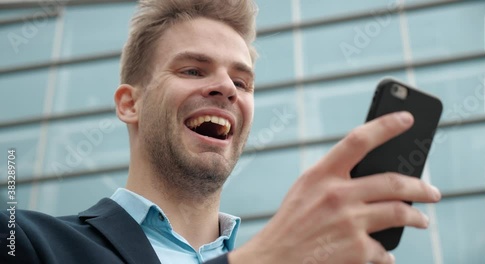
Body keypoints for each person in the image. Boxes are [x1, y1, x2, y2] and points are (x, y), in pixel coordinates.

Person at [0, 0, 441, 263]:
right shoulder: (25, 242)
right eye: (193, 69)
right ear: (129, 104)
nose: (227, 88)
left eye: (242, 81)